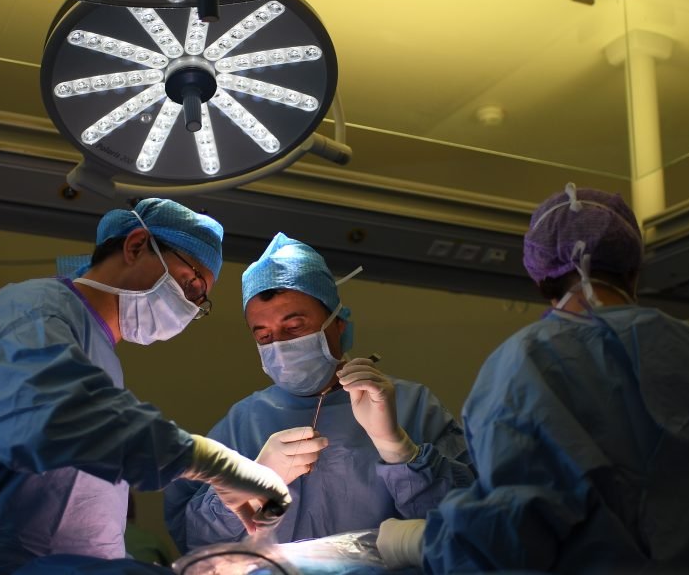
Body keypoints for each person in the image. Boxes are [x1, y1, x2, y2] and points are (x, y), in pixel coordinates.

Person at [376, 183, 689, 573]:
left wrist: (411, 542)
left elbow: (509, 540)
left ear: (541, 278)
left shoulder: (525, 364)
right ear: (634, 268)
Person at [0, 198, 290, 575]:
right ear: (136, 246)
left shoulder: (99, 355)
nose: (189, 305)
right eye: (191, 283)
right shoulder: (32, 310)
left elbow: (81, 532)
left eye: (199, 301)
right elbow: (58, 417)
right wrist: (212, 463)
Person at [164, 232, 474, 552]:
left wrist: (397, 447)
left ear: (339, 324)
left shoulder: (413, 405)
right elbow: (194, 540)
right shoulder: (243, 422)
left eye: (294, 327)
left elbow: (469, 524)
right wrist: (251, 483)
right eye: (264, 336)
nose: (280, 345)